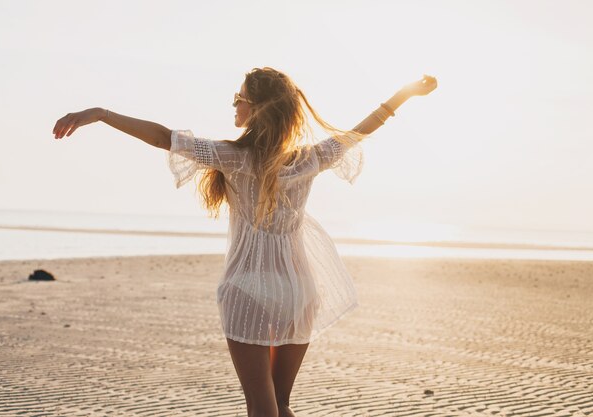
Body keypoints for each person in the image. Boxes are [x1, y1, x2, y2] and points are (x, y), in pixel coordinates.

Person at [53, 67, 437, 417]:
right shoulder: (310, 158)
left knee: (260, 405)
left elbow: (162, 138)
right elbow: (363, 128)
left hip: (247, 288)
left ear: (255, 108)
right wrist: (404, 94)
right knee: (281, 404)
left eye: (238, 98)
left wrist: (102, 114)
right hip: (299, 291)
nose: (233, 105)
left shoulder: (234, 156)